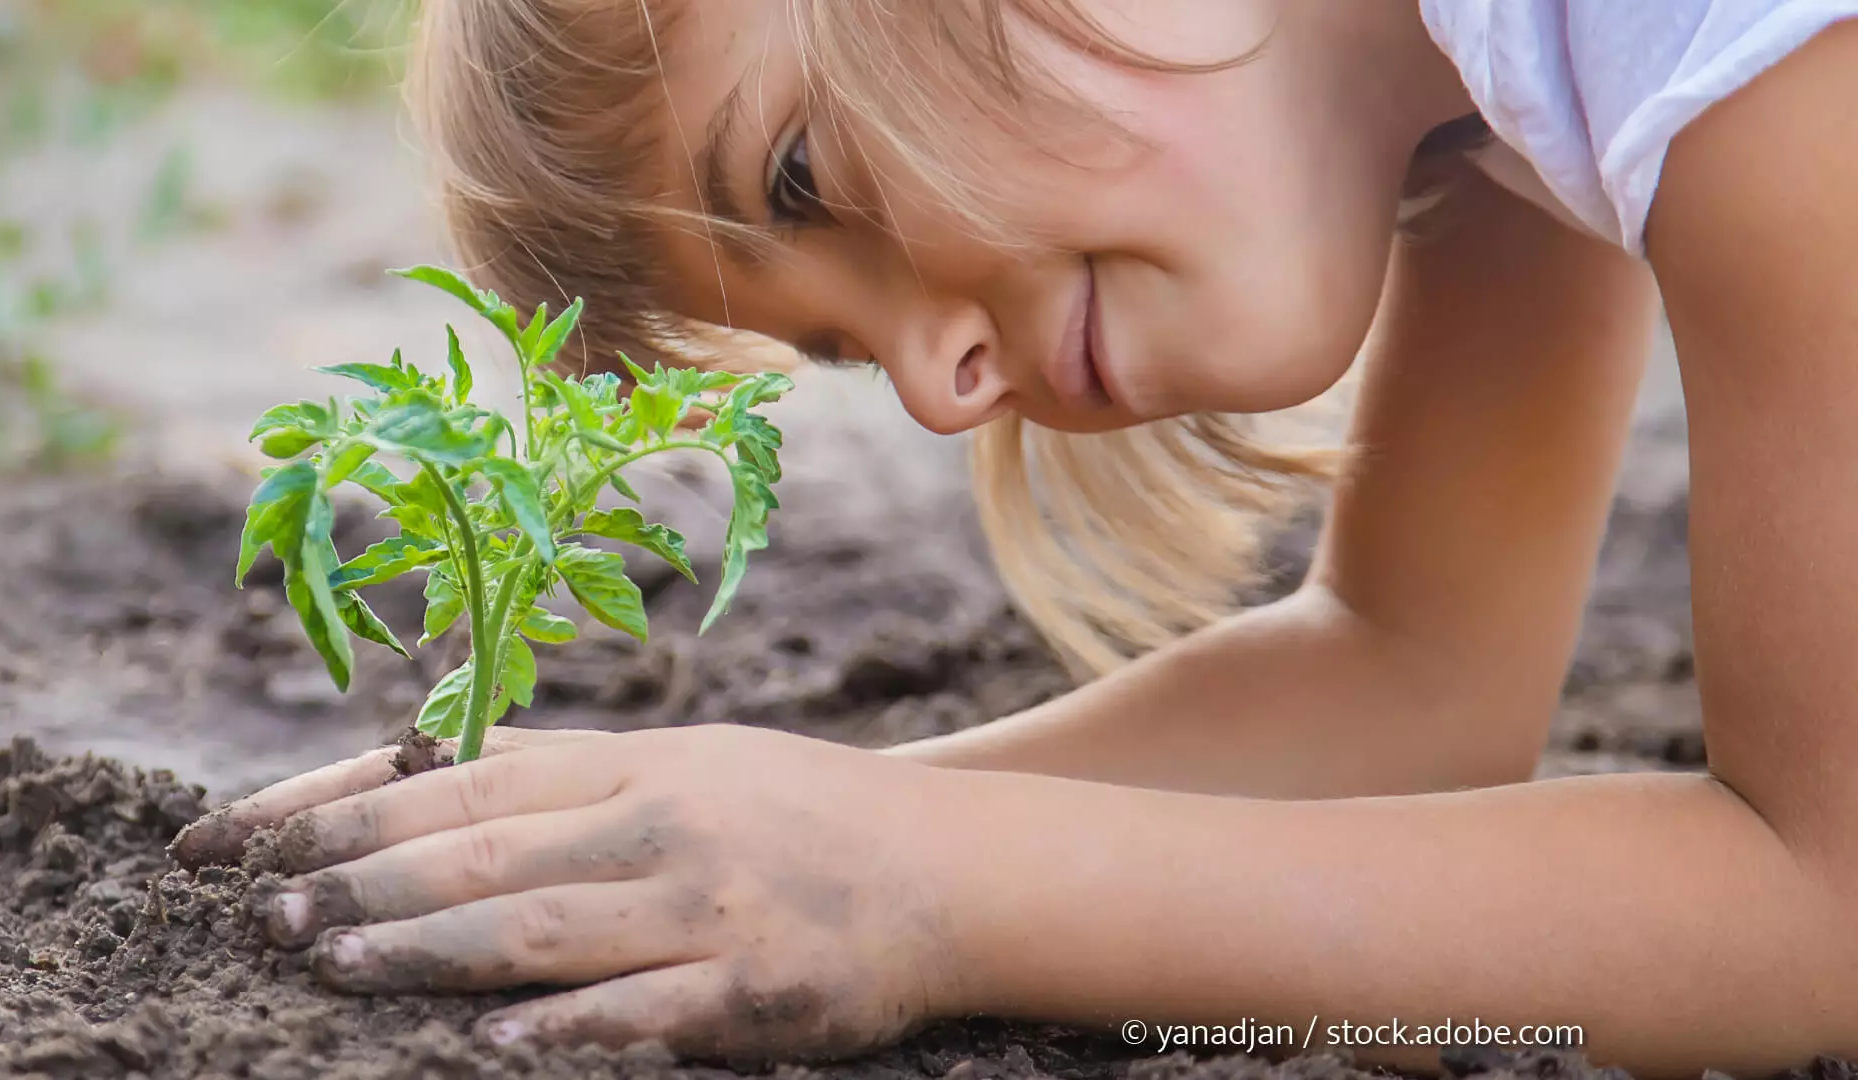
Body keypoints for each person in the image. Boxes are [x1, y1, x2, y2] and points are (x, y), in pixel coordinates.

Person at [170, 1, 1858, 1073]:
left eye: (807, 175)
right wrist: (752, 842)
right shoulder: (1481, 102)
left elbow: (1820, 909)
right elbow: (1417, 686)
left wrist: (937, 892)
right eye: (837, 346)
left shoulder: (1733, 51)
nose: (933, 383)